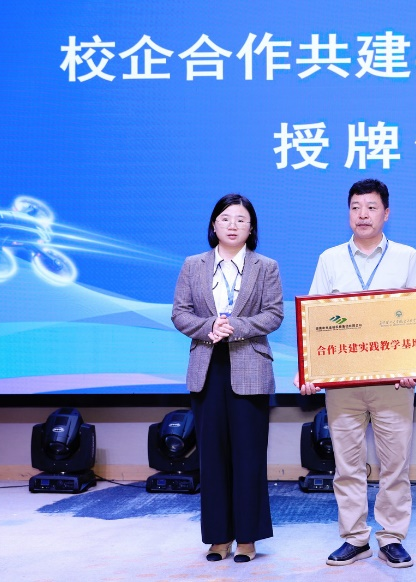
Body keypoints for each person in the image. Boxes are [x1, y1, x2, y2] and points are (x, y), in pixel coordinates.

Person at [294, 178, 416, 569]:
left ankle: (391, 537)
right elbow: (314, 319)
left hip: (392, 383)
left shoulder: (407, 256)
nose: (362, 214)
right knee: (347, 465)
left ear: (386, 213)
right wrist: (310, 370)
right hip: (344, 384)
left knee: (395, 465)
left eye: (371, 207)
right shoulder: (330, 259)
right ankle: (354, 538)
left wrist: (415, 366)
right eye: (355, 207)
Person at [172, 193, 284, 563]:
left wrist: (234, 326)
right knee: (212, 456)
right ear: (213, 225)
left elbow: (273, 314)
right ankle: (218, 538)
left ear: (251, 228)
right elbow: (180, 313)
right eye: (225, 218)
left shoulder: (266, 267)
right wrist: (210, 327)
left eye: (241, 219)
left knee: (249, 456)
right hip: (207, 366)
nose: (232, 225)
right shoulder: (193, 265)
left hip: (250, 365)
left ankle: (248, 539)